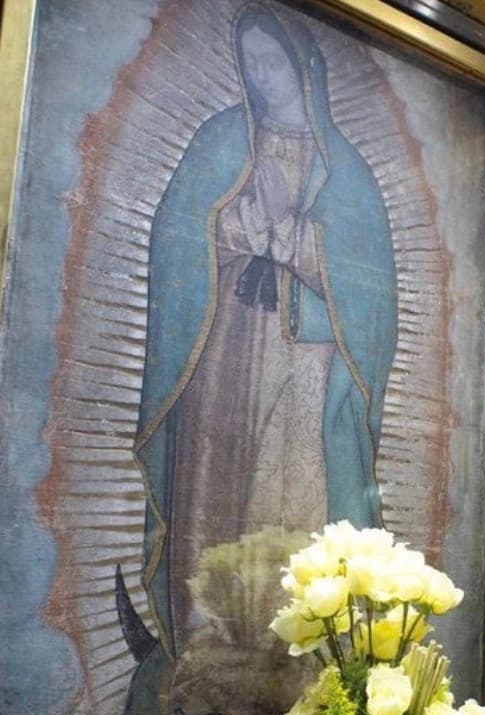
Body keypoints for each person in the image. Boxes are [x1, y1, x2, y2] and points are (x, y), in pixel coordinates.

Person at [134, 3, 398, 658]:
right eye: (250, 64)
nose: (261, 76)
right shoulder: (222, 140)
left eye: (272, 61)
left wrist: (293, 237)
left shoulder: (346, 172)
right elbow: (176, 237)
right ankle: (209, 655)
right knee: (218, 486)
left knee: (291, 495)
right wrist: (234, 225)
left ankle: (291, 662)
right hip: (224, 354)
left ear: (302, 66)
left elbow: (371, 294)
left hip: (304, 367)